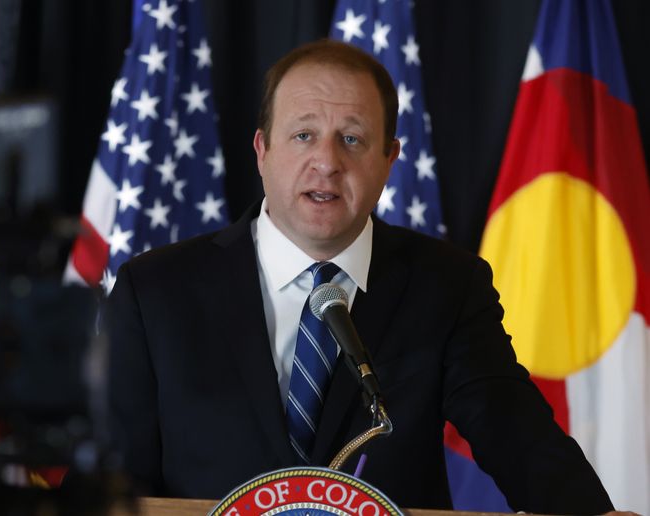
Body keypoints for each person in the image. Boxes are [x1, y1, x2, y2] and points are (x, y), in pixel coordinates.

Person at [104, 39, 613, 513]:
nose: (327, 162)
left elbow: (517, 437)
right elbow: (114, 479)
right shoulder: (155, 292)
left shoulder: (447, 287)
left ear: (390, 159)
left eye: (352, 139)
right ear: (262, 150)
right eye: (304, 135)